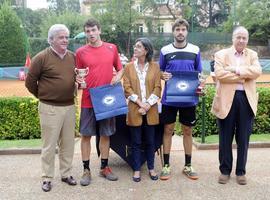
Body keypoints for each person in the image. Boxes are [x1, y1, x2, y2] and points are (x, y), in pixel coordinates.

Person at [25, 24, 77, 192]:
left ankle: (66, 173)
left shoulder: (72, 57)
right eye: (61, 37)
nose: (65, 40)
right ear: (51, 39)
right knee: (49, 145)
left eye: (66, 37)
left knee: (68, 144)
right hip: (49, 107)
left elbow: (75, 79)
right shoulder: (41, 57)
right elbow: (30, 82)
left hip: (69, 106)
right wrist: (43, 96)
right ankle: (47, 177)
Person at [75, 18, 123, 186]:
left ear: (99, 30)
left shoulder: (112, 48)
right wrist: (79, 81)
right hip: (88, 100)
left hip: (107, 100)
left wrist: (117, 77)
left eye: (93, 30)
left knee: (105, 134)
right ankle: (86, 170)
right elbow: (78, 75)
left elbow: (120, 69)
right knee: (86, 135)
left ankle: (104, 167)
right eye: (87, 31)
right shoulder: (80, 52)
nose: (91, 34)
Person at [211, 26, 262, 185]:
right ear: (233, 38)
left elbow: (257, 71)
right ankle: (225, 170)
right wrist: (243, 77)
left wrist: (235, 69)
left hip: (246, 100)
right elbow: (220, 74)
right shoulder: (221, 54)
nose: (241, 40)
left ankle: (241, 172)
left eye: (244, 38)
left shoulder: (253, 54)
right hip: (226, 100)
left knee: (243, 138)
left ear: (247, 40)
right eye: (238, 37)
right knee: (225, 137)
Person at [159, 18, 202, 181]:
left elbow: (198, 74)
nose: (180, 32)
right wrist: (163, 75)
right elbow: (160, 72)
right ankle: (166, 165)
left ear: (187, 32)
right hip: (170, 98)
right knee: (168, 130)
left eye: (183, 29)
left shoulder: (195, 50)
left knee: (187, 131)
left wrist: (200, 84)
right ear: (173, 32)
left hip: (189, 99)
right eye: (177, 29)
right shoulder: (165, 50)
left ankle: (188, 165)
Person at [123, 38, 161, 182]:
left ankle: (151, 168)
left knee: (151, 141)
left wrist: (147, 105)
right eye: (135, 46)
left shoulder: (155, 67)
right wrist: (140, 103)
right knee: (136, 142)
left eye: (139, 46)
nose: (135, 48)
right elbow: (127, 88)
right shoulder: (128, 67)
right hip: (135, 109)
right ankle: (137, 169)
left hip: (150, 110)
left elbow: (158, 88)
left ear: (146, 50)